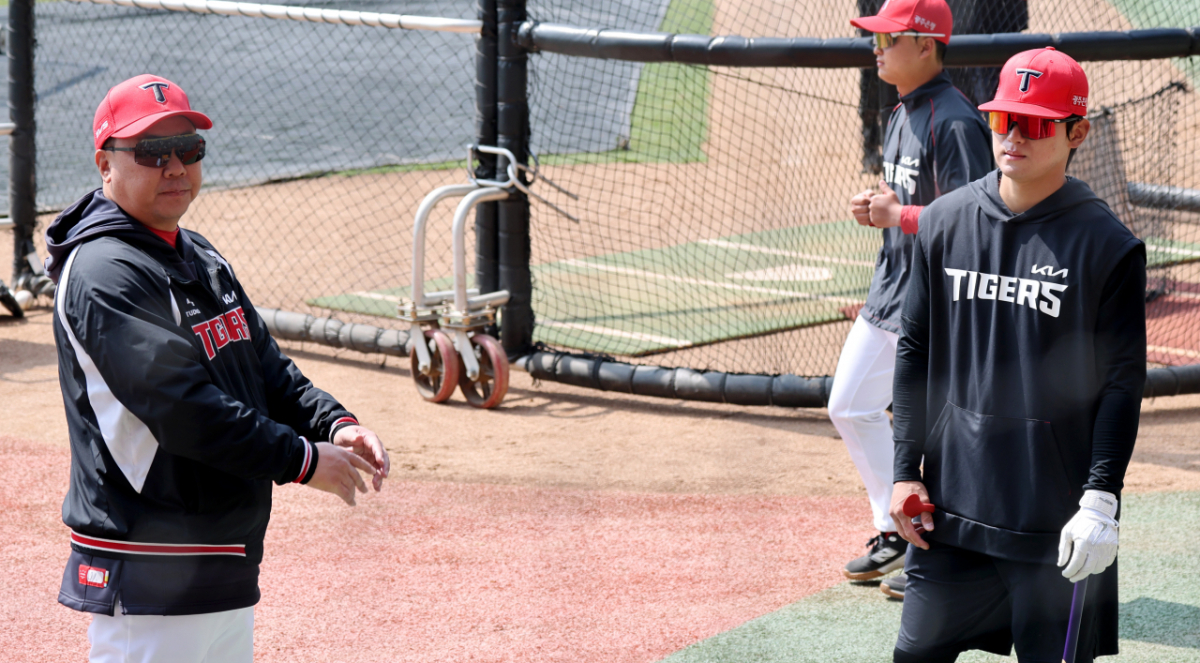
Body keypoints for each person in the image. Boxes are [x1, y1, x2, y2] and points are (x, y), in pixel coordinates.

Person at [46, 74, 391, 663]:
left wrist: (333, 424)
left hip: (218, 558)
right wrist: (301, 460)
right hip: (150, 567)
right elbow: (183, 409)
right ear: (105, 164)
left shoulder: (197, 253)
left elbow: (264, 367)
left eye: (188, 148)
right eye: (152, 152)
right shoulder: (105, 272)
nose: (175, 167)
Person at [889, 48, 1144, 662]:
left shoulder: (1107, 245)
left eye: (1035, 123)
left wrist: (1102, 498)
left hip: (1056, 523)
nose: (1014, 136)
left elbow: (1121, 384)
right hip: (950, 511)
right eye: (1004, 120)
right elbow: (915, 349)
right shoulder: (944, 222)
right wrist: (902, 470)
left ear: (1076, 133)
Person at [832, 0, 993, 600]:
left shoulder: (954, 121)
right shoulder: (902, 110)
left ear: (927, 45)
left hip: (937, 301)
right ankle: (897, 527)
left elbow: (976, 222)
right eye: (875, 39)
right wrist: (878, 206)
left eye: (888, 39)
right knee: (850, 405)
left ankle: (937, 553)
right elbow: (907, 201)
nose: (875, 49)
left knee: (943, 434)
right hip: (891, 290)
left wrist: (896, 214)